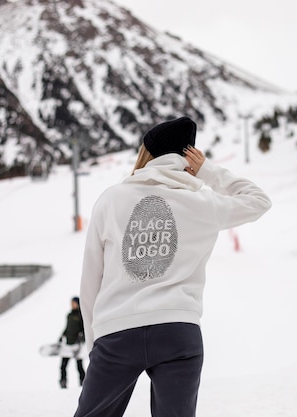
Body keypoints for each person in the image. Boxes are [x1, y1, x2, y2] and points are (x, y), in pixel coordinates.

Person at [74, 116, 271, 417]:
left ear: (147, 154)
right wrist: (208, 172)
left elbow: (91, 282)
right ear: (185, 159)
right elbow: (258, 201)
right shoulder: (202, 203)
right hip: (178, 332)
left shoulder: (112, 200)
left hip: (117, 333)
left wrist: (95, 344)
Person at [58, 296, 86, 388]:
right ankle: (63, 382)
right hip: (68, 345)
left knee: (79, 366)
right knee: (63, 366)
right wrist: (62, 335)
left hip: (77, 345)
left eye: (74, 303)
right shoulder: (69, 315)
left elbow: (84, 328)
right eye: (71, 303)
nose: (72, 305)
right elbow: (67, 328)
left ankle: (83, 383)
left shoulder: (80, 315)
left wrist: (82, 337)